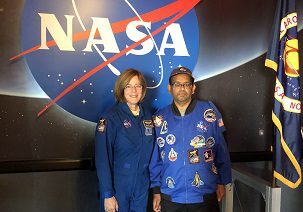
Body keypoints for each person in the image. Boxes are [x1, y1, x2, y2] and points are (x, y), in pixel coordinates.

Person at [149, 66, 232, 212]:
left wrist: (222, 181)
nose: (182, 88)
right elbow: (155, 158)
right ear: (169, 88)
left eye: (186, 84)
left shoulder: (209, 111)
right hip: (171, 196)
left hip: (204, 195)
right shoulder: (159, 118)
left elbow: (221, 149)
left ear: (193, 88)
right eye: (177, 84)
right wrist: (156, 190)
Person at [95, 69, 155, 212]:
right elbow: (102, 159)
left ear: (143, 89)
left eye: (138, 86)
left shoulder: (148, 116)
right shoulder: (110, 118)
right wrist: (108, 194)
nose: (134, 90)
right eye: (128, 86)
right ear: (121, 89)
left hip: (141, 185)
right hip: (118, 186)